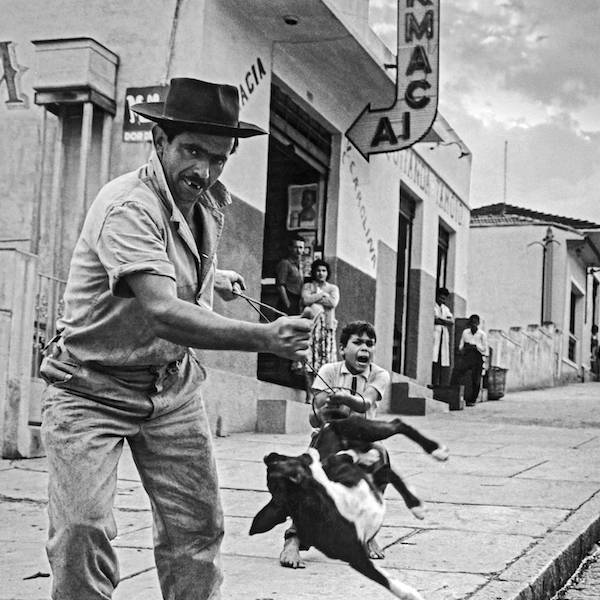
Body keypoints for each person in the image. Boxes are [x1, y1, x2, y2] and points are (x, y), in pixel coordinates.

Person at [39, 78, 312, 600]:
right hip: (88, 388)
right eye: (191, 151)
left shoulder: (206, 201)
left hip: (172, 390)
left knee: (197, 528)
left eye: (218, 158)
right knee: (82, 533)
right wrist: (266, 338)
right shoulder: (128, 207)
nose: (203, 171)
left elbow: (171, 272)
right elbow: (162, 310)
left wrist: (215, 278)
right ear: (159, 140)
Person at [279, 321, 391, 569]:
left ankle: (368, 534)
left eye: (370, 344)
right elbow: (315, 417)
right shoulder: (328, 370)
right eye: (358, 343)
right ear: (342, 349)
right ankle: (293, 540)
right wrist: (327, 409)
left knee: (381, 460)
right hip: (329, 438)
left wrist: (346, 400)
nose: (365, 349)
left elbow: (365, 402)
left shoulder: (379, 375)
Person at [300, 259, 340, 388]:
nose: (320, 273)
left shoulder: (333, 288)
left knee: (325, 362)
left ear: (327, 273)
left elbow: (332, 303)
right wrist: (322, 295)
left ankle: (320, 392)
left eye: (323, 271)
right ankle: (309, 393)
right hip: (312, 327)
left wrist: (315, 298)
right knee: (309, 359)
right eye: (318, 270)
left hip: (326, 328)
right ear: (313, 272)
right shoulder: (308, 286)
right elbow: (306, 300)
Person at [451, 314, 488, 406]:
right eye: (472, 323)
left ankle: (472, 399)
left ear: (478, 323)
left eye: (475, 323)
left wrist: (476, 347)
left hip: (477, 357)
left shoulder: (482, 334)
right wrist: (465, 348)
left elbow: (485, 349)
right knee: (457, 373)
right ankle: (453, 393)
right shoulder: (465, 332)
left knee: (476, 379)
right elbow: (460, 346)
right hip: (467, 356)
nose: (473, 325)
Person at [275, 234, 305, 315]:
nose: (299, 251)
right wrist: (287, 304)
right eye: (296, 247)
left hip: (298, 301)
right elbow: (280, 286)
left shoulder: (301, 265)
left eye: (301, 248)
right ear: (290, 248)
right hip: (288, 300)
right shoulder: (285, 263)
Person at [432, 287, 454, 387]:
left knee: (442, 360)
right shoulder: (433, 306)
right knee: (434, 359)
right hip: (435, 335)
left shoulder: (446, 309)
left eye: (444, 298)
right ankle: (434, 382)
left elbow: (451, 322)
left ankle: (439, 384)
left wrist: (442, 320)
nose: (442, 300)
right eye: (440, 298)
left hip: (443, 336)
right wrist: (444, 321)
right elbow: (434, 319)